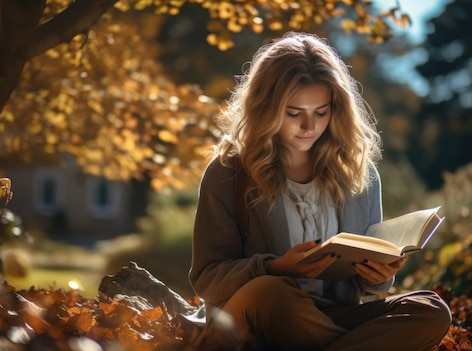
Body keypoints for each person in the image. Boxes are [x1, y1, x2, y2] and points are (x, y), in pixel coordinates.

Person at [189, 31, 451, 351]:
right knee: (271, 293)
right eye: (294, 113)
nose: (309, 127)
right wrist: (273, 267)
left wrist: (380, 274)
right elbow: (207, 279)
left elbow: (369, 288)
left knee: (431, 310)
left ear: (336, 109)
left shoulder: (359, 174)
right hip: (255, 321)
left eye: (321, 112)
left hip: (331, 318)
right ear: (265, 107)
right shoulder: (228, 173)